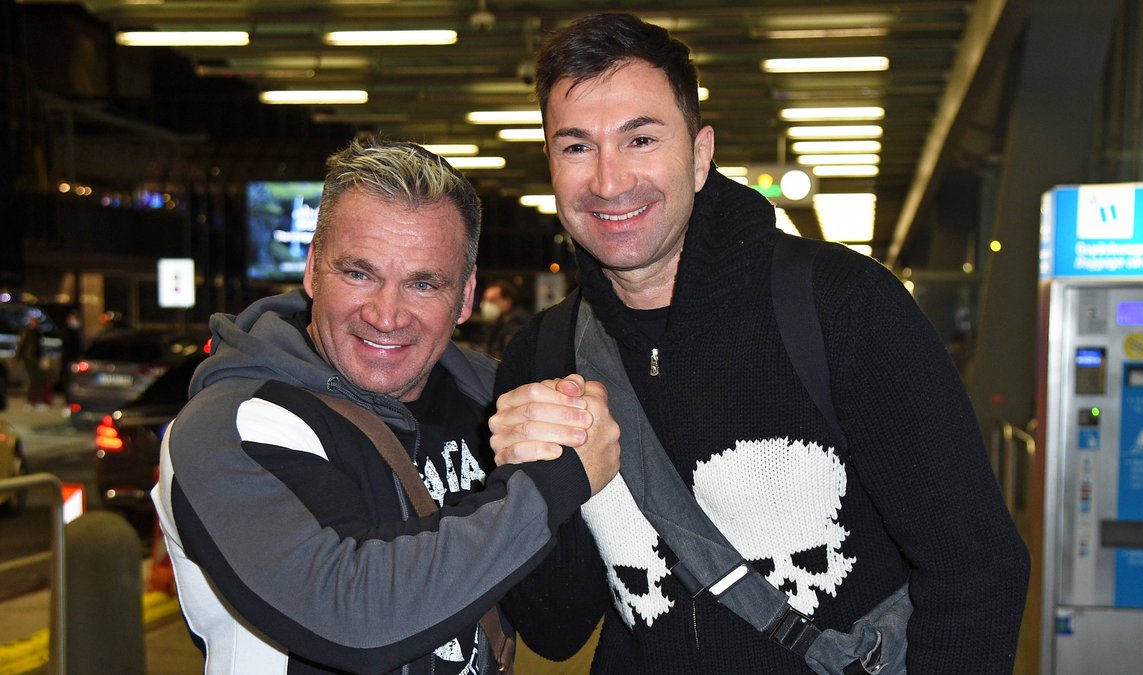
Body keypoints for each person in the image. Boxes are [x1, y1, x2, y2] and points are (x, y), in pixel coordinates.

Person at [488, 12, 1030, 674]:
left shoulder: (840, 308)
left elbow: (974, 565)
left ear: (700, 153)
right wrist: (528, 486)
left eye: (641, 139)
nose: (608, 181)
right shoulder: (544, 359)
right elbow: (556, 627)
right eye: (576, 147)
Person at [151, 138, 620, 674]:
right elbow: (351, 614)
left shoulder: (490, 398)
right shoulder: (230, 426)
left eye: (423, 283)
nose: (387, 314)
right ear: (312, 271)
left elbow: (556, 626)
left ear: (465, 297)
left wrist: (585, 437)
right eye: (359, 273)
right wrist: (553, 483)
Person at [479, 279, 531, 358]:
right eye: (485, 299)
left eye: (492, 300)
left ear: (507, 301)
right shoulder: (500, 321)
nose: (486, 304)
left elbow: (508, 357)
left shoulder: (516, 323)